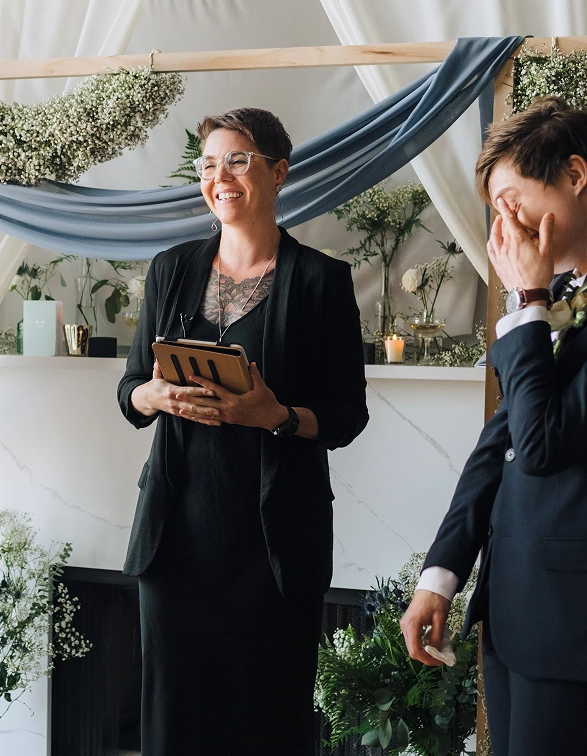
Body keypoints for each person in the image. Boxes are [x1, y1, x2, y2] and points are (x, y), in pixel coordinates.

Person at [118, 107, 368, 756]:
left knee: (269, 726)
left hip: (275, 551)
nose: (219, 176)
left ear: (278, 172)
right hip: (176, 546)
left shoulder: (321, 281)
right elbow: (129, 392)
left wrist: (277, 417)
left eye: (237, 160)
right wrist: (154, 393)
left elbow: (347, 415)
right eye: (207, 164)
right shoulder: (171, 268)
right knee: (174, 727)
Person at [401, 96, 587, 756]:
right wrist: (441, 574)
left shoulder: (545, 303)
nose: (503, 225)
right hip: (511, 616)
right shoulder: (564, 300)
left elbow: (539, 447)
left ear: (574, 174)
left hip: (572, 638)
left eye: (512, 199)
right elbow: (501, 438)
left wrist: (530, 303)